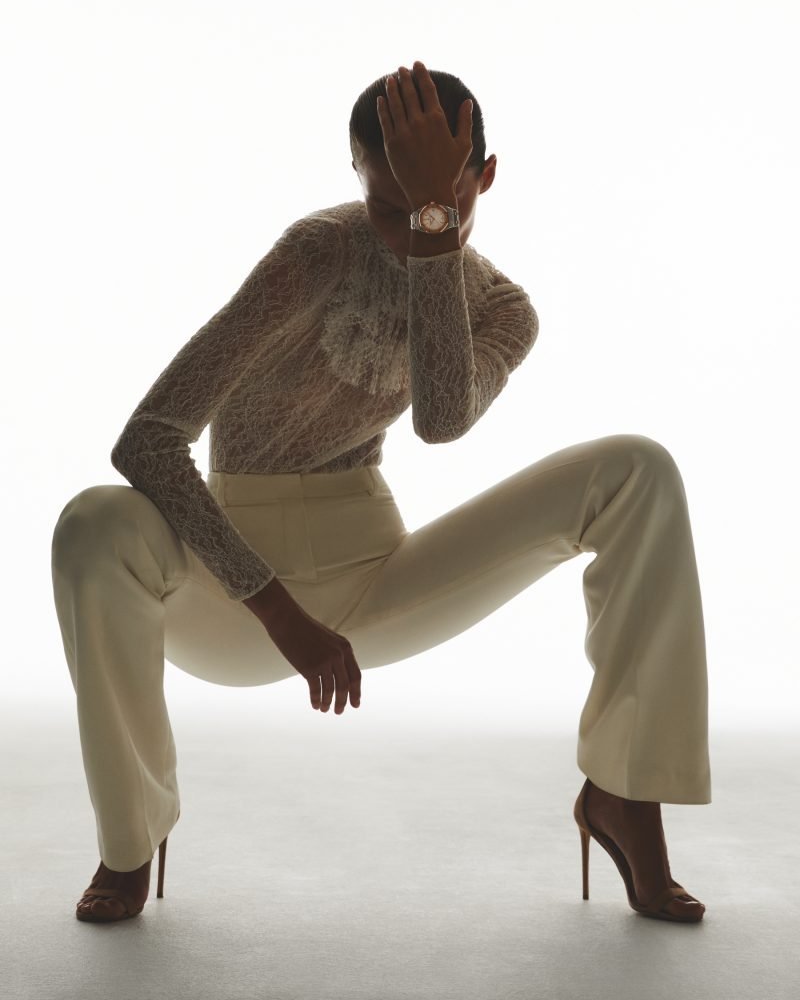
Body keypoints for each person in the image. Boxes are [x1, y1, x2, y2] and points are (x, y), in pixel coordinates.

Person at [52, 63, 709, 923]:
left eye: (438, 203)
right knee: (93, 521)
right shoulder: (315, 252)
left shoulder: (505, 311)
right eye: (386, 205)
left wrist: (436, 232)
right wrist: (278, 613)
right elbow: (147, 438)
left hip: (374, 581)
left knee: (639, 470)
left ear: (484, 176)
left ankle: (625, 796)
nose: (407, 231)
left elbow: (441, 420)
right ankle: (129, 838)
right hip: (223, 589)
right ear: (356, 173)